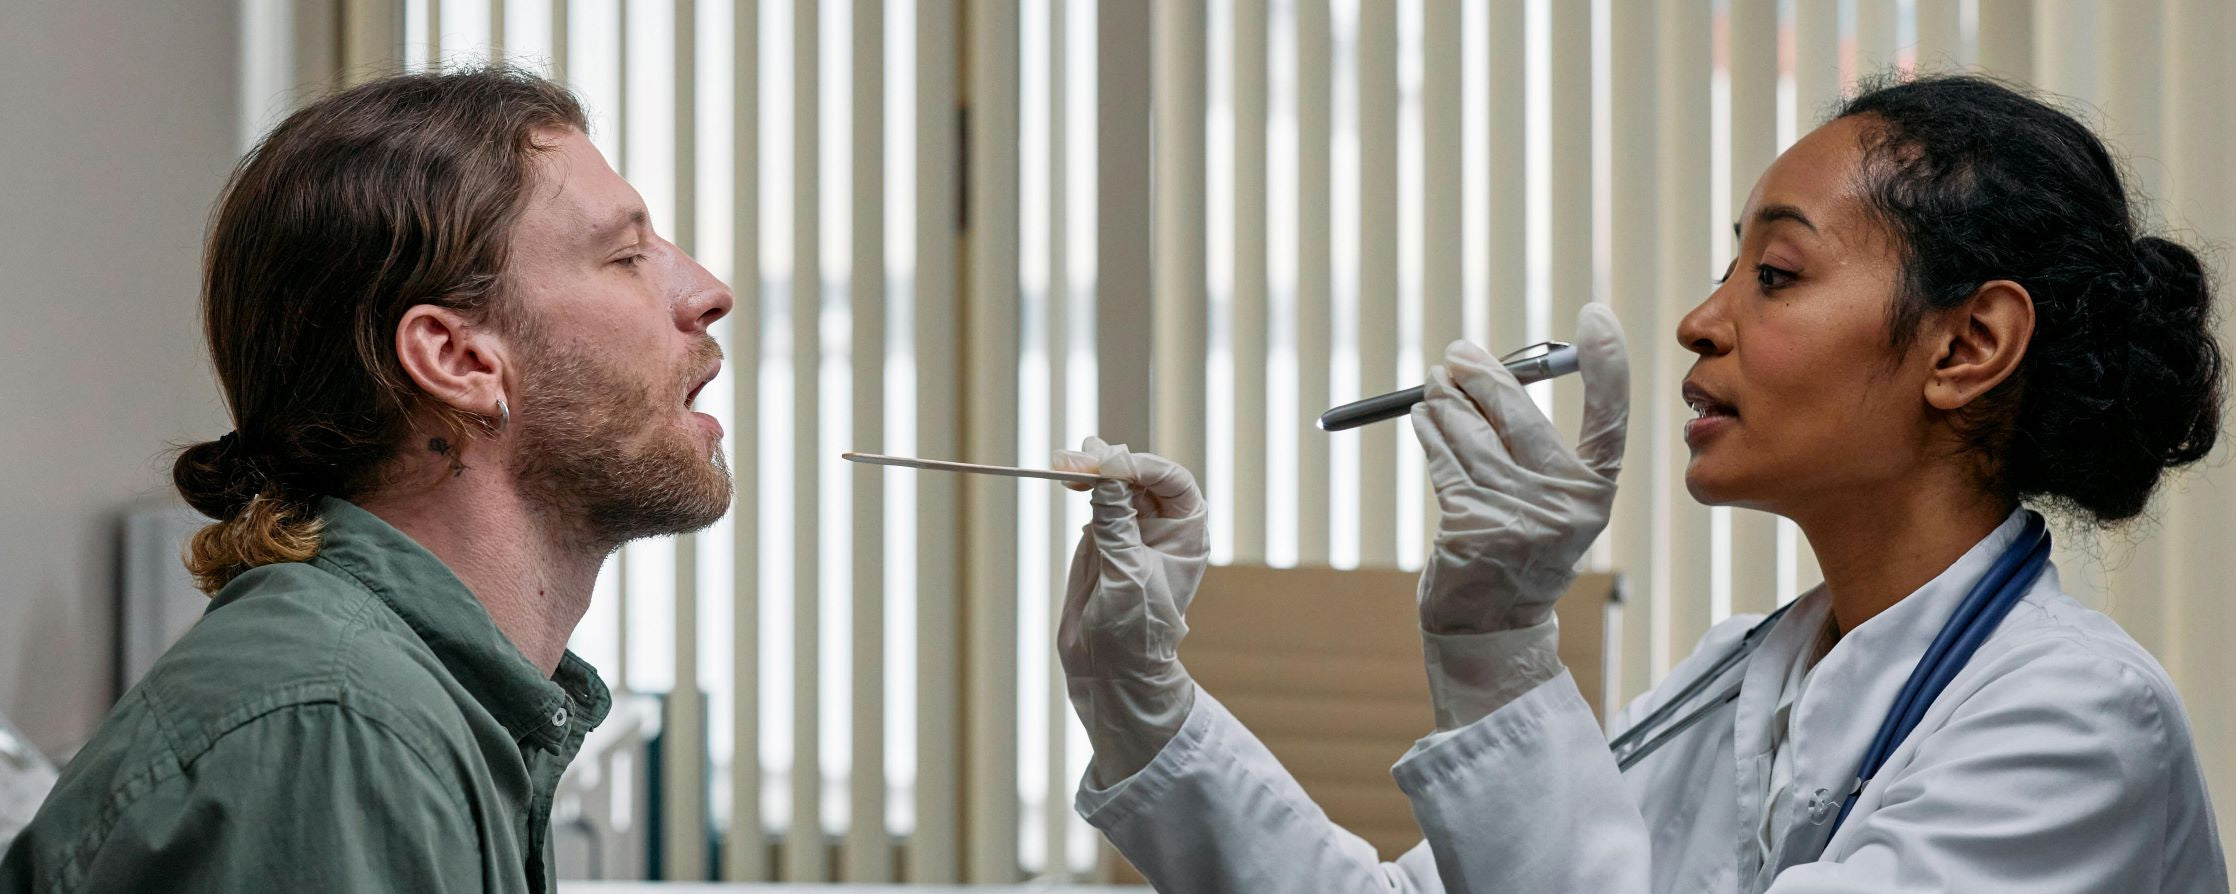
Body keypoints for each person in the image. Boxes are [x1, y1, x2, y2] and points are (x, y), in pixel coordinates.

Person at [1053, 75, 2227, 892]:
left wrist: (1501, 651)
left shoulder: (2070, 729)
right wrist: (1142, 705)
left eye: (1774, 273)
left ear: (1966, 347)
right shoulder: (1737, 680)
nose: (1698, 320)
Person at [0, 67, 733, 893]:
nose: (708, 293)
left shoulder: (420, 706)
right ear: (457, 359)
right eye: (628, 255)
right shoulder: (333, 728)